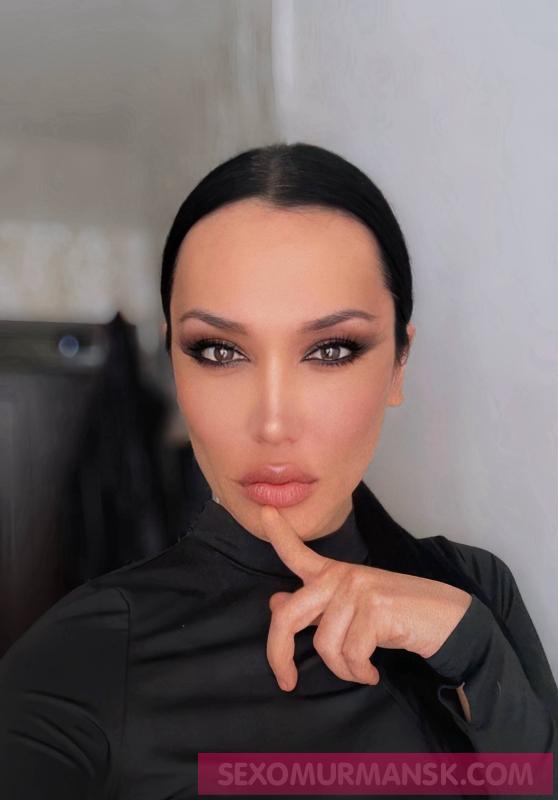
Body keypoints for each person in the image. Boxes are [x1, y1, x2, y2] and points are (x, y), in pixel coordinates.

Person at [0, 142, 556, 800]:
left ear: (398, 364)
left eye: (330, 350)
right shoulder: (87, 654)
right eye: (219, 351)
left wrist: (472, 647)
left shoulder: (473, 592)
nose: (272, 423)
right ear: (174, 364)